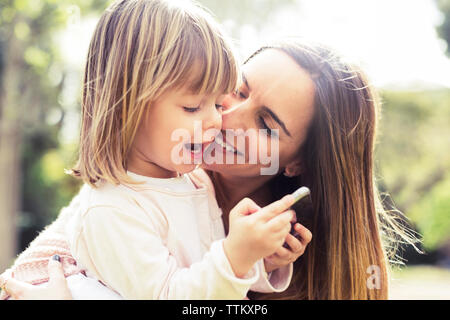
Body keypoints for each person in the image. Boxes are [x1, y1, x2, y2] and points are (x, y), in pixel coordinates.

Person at [1, 38, 418, 299]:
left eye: (266, 124)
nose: (226, 118)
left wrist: (260, 263)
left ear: (298, 162)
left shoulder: (299, 262)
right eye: (236, 89)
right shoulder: (145, 187)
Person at [0, 0, 309, 300]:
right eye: (192, 107)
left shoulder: (194, 183)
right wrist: (236, 256)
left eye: (216, 103)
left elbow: (200, 267)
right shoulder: (113, 208)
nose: (217, 120)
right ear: (129, 105)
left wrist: (259, 258)